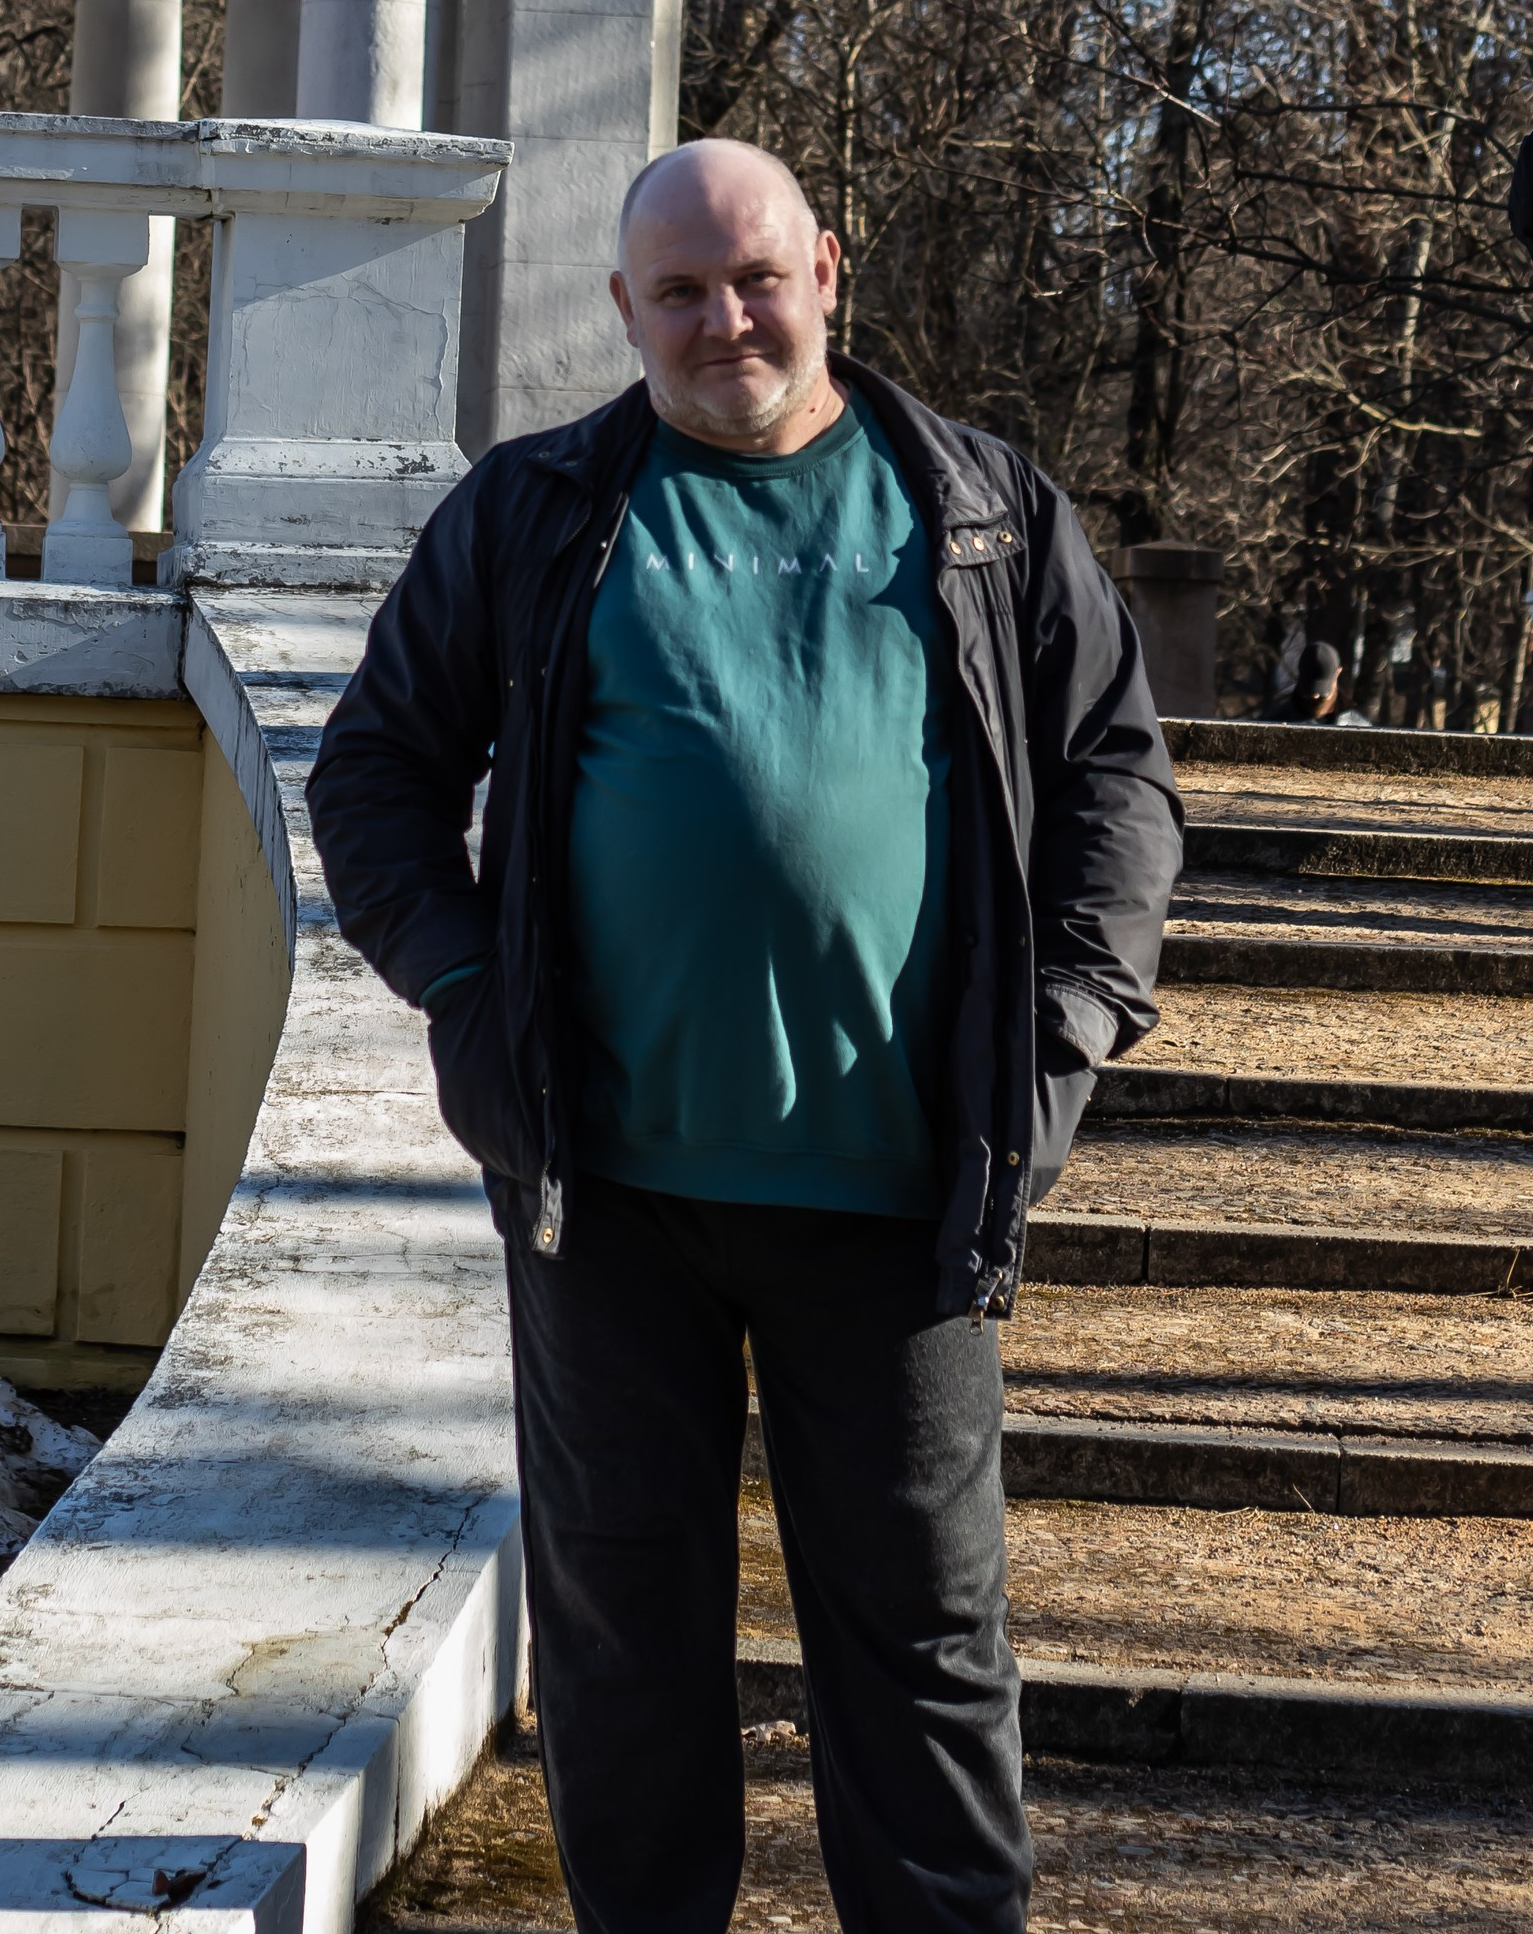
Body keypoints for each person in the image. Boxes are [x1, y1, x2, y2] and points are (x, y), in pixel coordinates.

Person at [307, 137, 1183, 1934]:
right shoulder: (538, 511)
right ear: (624, 309)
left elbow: (1115, 776)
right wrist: (472, 998)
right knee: (625, 1636)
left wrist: (1071, 1020)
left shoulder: (978, 507)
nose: (726, 319)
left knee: (924, 1635)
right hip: (606, 1180)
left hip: (906, 1182)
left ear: (826, 271)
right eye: (682, 291)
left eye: (756, 276)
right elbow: (380, 771)